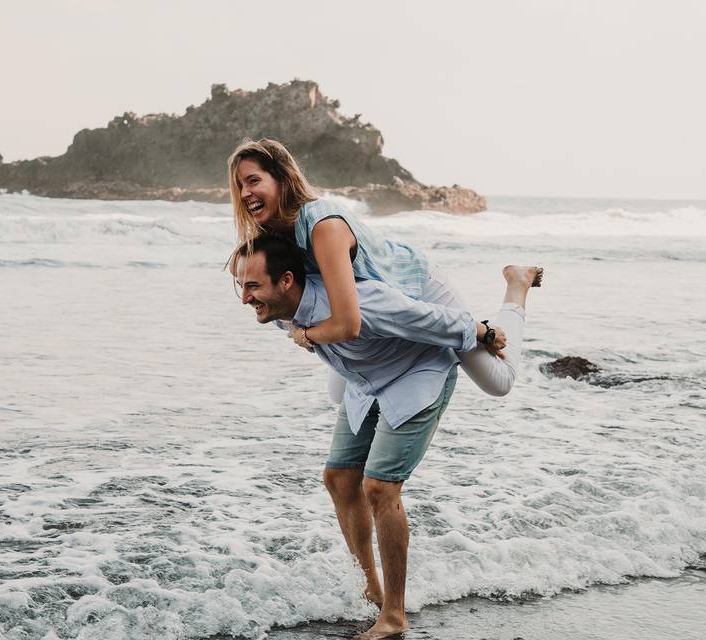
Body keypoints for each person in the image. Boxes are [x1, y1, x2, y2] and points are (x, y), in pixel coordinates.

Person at [231, 234, 542, 640]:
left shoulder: (364, 302)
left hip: (421, 366)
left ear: (287, 280)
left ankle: (394, 614)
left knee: (381, 485)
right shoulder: (281, 309)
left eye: (253, 286)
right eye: (241, 286)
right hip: (369, 375)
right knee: (339, 477)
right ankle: (371, 589)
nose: (245, 298)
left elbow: (431, 319)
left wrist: (483, 332)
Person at [228, 138, 543, 401]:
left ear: (282, 179)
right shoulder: (272, 241)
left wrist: (305, 334)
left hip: (416, 287)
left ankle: (517, 284)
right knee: (340, 397)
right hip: (381, 315)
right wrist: (302, 333)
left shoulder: (323, 226)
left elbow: (346, 324)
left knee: (497, 382)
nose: (245, 194)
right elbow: (286, 312)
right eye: (240, 186)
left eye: (254, 180)